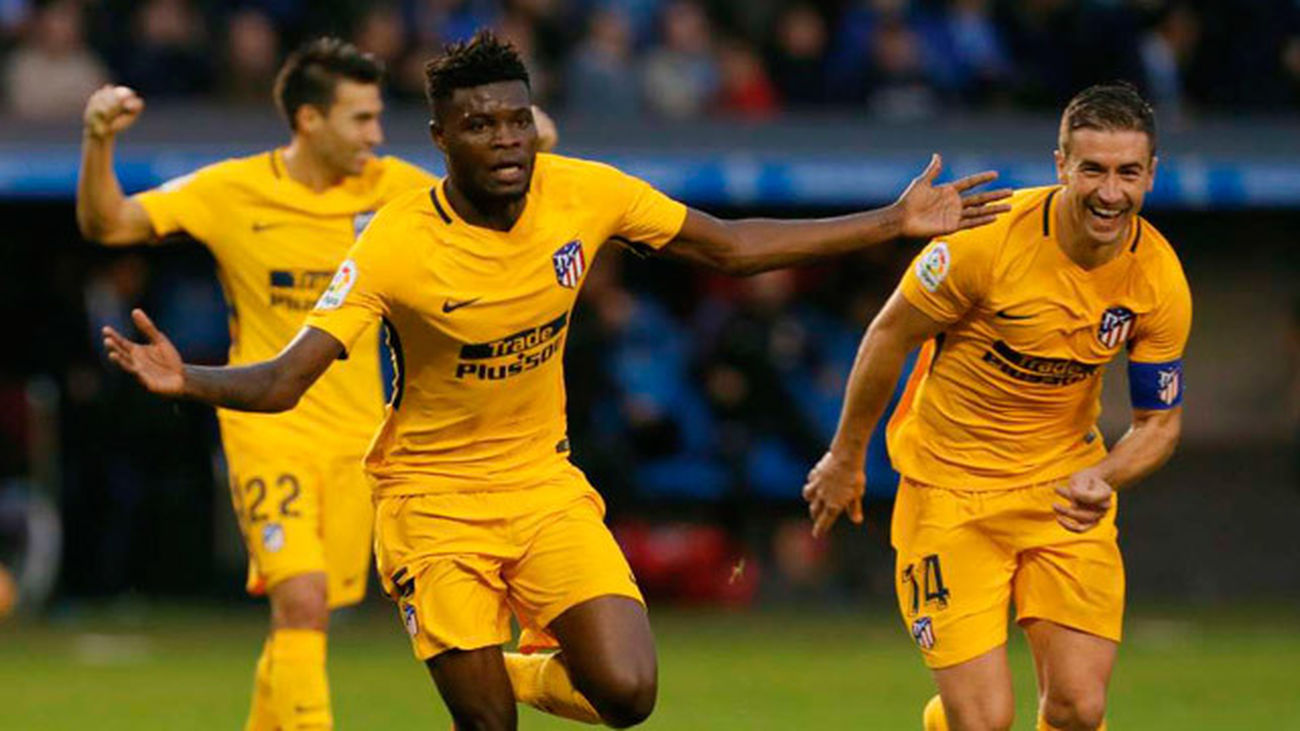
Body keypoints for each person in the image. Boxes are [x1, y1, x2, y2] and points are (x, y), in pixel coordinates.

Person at [102, 31, 1010, 730]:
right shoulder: (395, 243)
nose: (504, 140)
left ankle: (520, 664)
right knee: (487, 723)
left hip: (541, 486)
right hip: (431, 502)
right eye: (479, 125)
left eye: (513, 119)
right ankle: (490, 678)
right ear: (440, 138)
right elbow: (288, 377)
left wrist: (891, 220)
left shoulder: (584, 191)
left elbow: (730, 246)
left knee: (628, 692)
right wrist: (190, 381)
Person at [77, 37, 557, 731]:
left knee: (309, 616)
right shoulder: (230, 191)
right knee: (300, 601)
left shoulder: (397, 189)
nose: (376, 134)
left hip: (362, 439)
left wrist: (526, 137)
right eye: (360, 118)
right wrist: (98, 141)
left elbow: (495, 191)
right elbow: (108, 221)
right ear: (309, 120)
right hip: (267, 425)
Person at [802, 82, 1191, 731]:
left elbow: (1160, 422)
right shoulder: (985, 243)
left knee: (1079, 707)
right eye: (1092, 168)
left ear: (1152, 174)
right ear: (1062, 163)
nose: (1110, 190)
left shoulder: (1157, 279)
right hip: (948, 492)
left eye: (1128, 172)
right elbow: (887, 337)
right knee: (983, 721)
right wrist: (846, 455)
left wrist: (1107, 475)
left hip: (1062, 491)